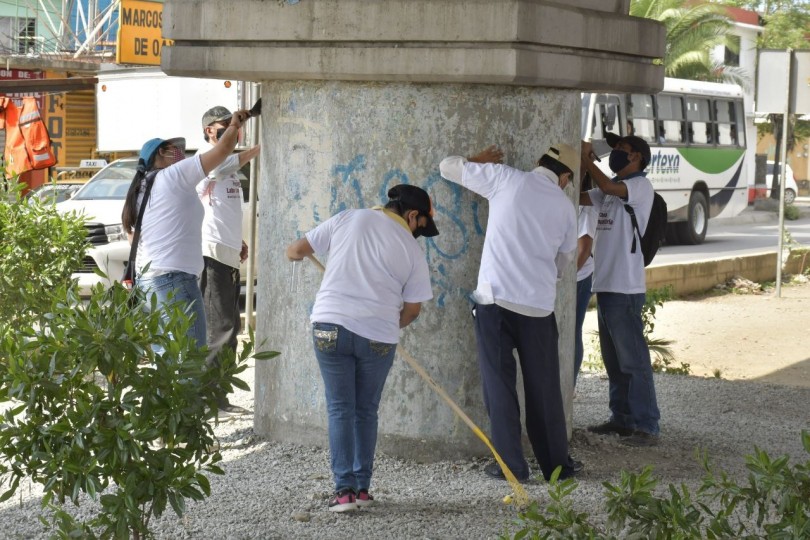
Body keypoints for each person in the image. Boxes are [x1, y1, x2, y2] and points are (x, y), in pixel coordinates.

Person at [285, 184, 438, 513]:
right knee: (366, 410)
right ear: (412, 215)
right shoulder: (412, 251)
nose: (418, 234)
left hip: (329, 325)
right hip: (378, 337)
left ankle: (344, 493)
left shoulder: (347, 218)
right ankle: (362, 490)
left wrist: (302, 255)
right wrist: (384, 324)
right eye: (421, 226)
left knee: (340, 408)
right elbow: (412, 311)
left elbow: (295, 250)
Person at [439, 144, 582, 482]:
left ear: (539, 162)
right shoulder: (565, 207)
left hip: (495, 302)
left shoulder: (505, 178)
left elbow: (447, 166)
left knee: (499, 386)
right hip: (538, 308)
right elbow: (564, 260)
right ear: (565, 177)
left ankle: (512, 466)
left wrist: (478, 160)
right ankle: (556, 467)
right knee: (544, 390)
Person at [121, 108, 251, 350]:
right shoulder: (172, 176)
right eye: (174, 149)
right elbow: (223, 150)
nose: (180, 154)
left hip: (148, 282)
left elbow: (134, 238)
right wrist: (234, 125)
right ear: (161, 154)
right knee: (188, 358)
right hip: (174, 281)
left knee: (166, 359)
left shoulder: (142, 188)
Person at [580, 134, 661, 447]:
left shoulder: (639, 186)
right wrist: (581, 165)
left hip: (625, 288)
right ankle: (622, 418)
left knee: (633, 360)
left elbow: (606, 186)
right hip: (606, 285)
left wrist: (586, 159)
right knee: (614, 361)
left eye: (621, 150)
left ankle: (647, 425)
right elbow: (579, 197)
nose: (614, 154)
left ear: (637, 156)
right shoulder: (610, 190)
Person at [197, 106, 261, 415]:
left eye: (233, 126)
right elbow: (221, 166)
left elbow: (224, 211)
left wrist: (239, 242)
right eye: (224, 126)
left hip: (228, 253)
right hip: (212, 254)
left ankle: (219, 397)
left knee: (231, 327)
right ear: (209, 131)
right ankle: (210, 401)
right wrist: (257, 150)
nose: (231, 131)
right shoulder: (205, 160)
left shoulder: (229, 168)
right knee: (219, 328)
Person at [574, 173, 596, 385]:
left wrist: (566, 279)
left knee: (573, 331)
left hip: (578, 278)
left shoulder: (585, 209)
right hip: (570, 277)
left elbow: (584, 250)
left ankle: (569, 384)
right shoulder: (570, 203)